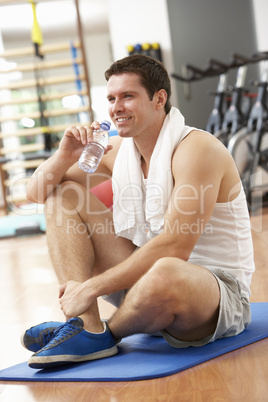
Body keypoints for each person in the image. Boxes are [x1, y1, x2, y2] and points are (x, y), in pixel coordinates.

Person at [22, 54, 255, 369]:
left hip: (212, 292)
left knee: (166, 269)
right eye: (111, 98)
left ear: (159, 99)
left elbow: (175, 246)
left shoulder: (197, 150)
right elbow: (37, 193)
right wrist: (64, 157)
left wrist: (90, 288)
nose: (116, 107)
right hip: (145, 284)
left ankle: (103, 334)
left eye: (127, 96)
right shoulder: (116, 151)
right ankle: (85, 327)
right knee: (63, 195)